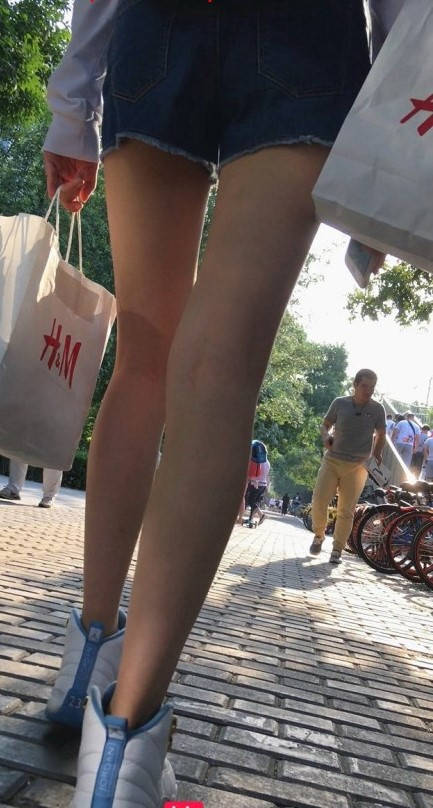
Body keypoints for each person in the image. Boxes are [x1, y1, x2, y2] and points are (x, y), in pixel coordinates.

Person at [40, 1, 393, 804]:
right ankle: (121, 754)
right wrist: (382, 141)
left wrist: (72, 105)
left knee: (143, 360)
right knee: (218, 371)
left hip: (158, 27)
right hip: (307, 40)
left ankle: (85, 657)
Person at [310, 369, 386, 565]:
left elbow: (381, 434)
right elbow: (325, 425)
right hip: (332, 460)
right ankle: (318, 535)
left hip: (358, 466)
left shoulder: (377, 409)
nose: (368, 391)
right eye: (364, 386)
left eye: (372, 387)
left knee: (347, 509)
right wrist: (326, 437)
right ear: (355, 385)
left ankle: (337, 549)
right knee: (319, 500)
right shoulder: (340, 403)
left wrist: (377, 453)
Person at [241, 439, 270, 526]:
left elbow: (255, 474)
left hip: (256, 484)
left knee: (250, 500)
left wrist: (252, 480)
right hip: (263, 485)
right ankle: (251, 519)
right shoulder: (267, 462)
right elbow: (266, 475)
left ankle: (261, 515)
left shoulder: (258, 461)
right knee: (254, 501)